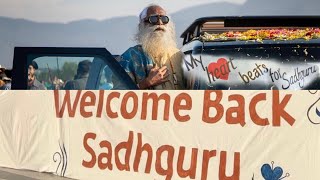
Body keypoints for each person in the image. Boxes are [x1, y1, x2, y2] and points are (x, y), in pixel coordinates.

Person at [119, 4, 185, 90]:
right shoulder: (130, 57)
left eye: (164, 19)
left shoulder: (179, 56)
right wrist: (147, 82)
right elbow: (115, 95)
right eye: (153, 19)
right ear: (141, 26)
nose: (160, 23)